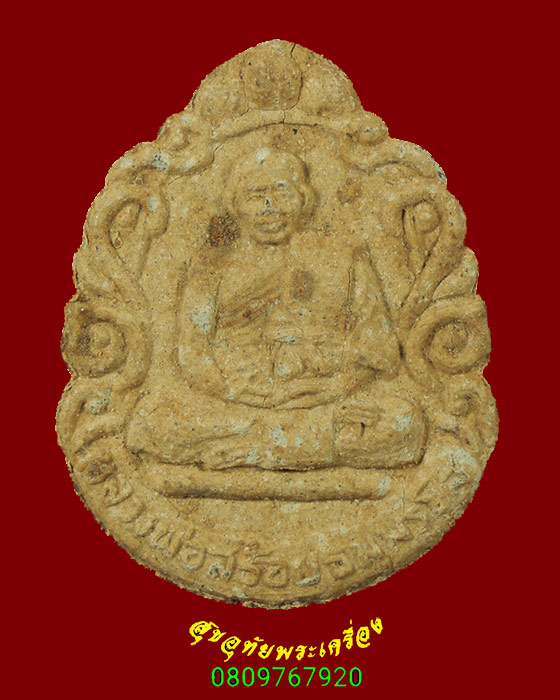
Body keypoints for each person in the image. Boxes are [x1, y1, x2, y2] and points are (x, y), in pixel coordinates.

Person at [127, 147, 425, 469]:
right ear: (235, 204)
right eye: (256, 196)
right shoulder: (211, 266)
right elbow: (193, 353)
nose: (269, 207)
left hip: (324, 403)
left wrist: (334, 389)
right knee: (152, 420)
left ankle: (263, 447)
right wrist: (235, 391)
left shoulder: (344, 256)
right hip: (237, 406)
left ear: (303, 198)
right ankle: (291, 444)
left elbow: (376, 348)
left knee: (403, 422)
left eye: (281, 193)